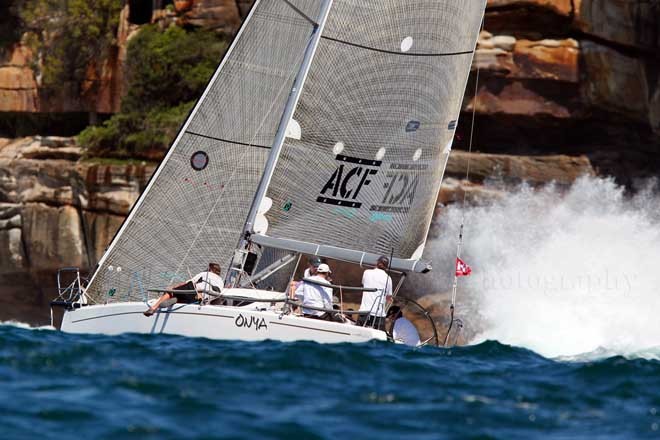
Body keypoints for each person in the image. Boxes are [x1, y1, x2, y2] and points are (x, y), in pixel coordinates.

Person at [143, 263, 224, 316]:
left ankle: (153, 308)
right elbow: (217, 296)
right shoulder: (221, 282)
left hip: (194, 290)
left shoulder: (205, 274)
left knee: (171, 291)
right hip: (199, 299)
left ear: (210, 269)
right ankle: (177, 299)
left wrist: (173, 287)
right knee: (185, 296)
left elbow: (187, 283)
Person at [358, 256, 393, 330]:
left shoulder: (367, 272)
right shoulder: (388, 278)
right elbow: (389, 297)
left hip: (364, 312)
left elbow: (363, 284)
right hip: (379, 315)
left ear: (377, 263)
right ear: (386, 266)